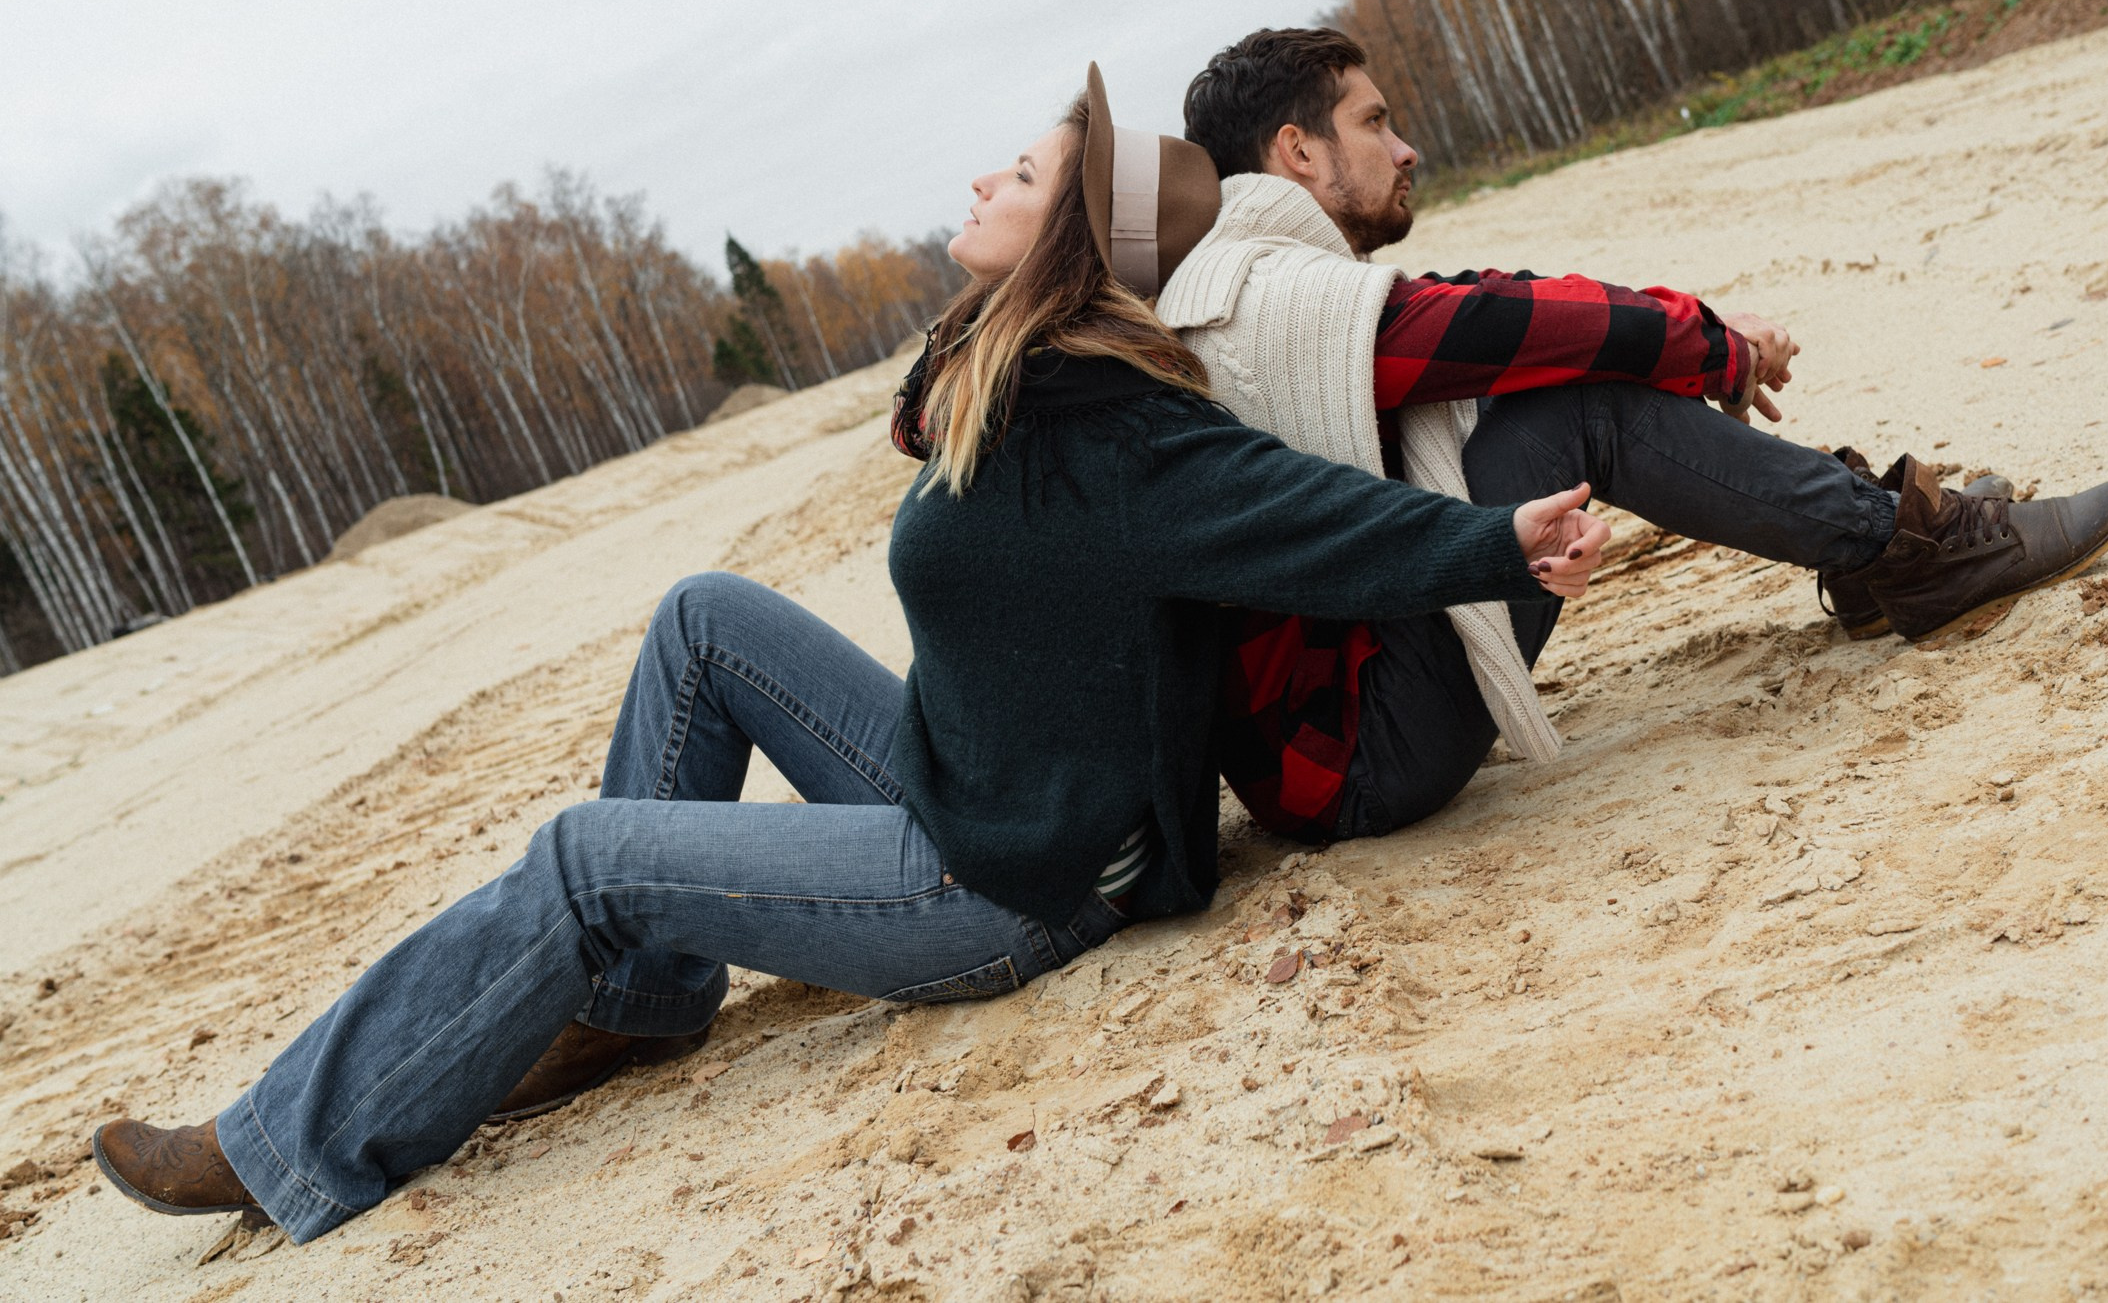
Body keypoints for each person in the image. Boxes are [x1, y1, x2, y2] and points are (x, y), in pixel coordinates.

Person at [90, 66, 1612, 1244]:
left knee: (581, 859)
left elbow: (1310, 519)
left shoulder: (1123, 433)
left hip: (1001, 887)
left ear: (1066, 242)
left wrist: (1498, 542)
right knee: (705, 619)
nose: (979, 177)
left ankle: (288, 1142)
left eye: (1016, 175)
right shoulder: (1014, 383)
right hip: (969, 777)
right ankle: (641, 1005)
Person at [1163, 27, 2108, 844]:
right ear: (1297, 153)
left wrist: (1702, 339)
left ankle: (1877, 546)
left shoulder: (1249, 285)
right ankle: (1911, 550)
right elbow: (1512, 325)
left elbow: (1475, 314)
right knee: (1569, 403)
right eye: (1374, 122)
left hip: (1330, 732)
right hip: (1358, 756)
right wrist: (1713, 347)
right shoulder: (1273, 305)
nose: (1405, 147)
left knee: (1546, 389)